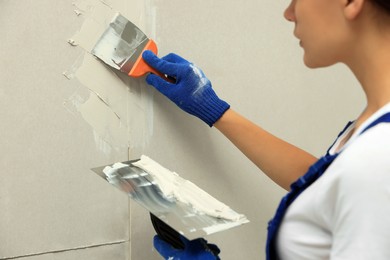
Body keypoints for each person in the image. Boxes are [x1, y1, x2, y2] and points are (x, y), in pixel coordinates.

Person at [142, 0, 390, 259]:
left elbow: (357, 178)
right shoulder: (373, 133)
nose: (289, 13)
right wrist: (212, 108)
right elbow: (324, 183)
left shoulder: (378, 154)